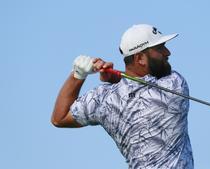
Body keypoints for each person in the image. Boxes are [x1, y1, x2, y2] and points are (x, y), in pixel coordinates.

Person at [51, 24, 194, 169]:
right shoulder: (175, 84)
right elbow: (142, 86)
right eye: (159, 48)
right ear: (140, 58)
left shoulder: (104, 99)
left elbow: (59, 118)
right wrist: (113, 77)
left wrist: (78, 74)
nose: (167, 52)